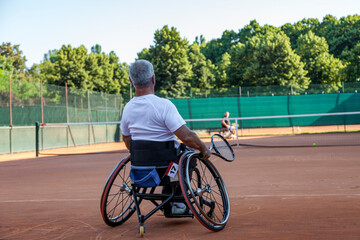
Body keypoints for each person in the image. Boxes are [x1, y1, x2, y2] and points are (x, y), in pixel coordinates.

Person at [120, 59, 211, 215]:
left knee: (175, 158)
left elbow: (127, 140)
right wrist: (203, 148)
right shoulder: (164, 105)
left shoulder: (128, 108)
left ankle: (173, 197)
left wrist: (143, 155)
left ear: (130, 81)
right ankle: (177, 202)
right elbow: (187, 137)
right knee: (188, 156)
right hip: (168, 171)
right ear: (153, 79)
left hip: (140, 169)